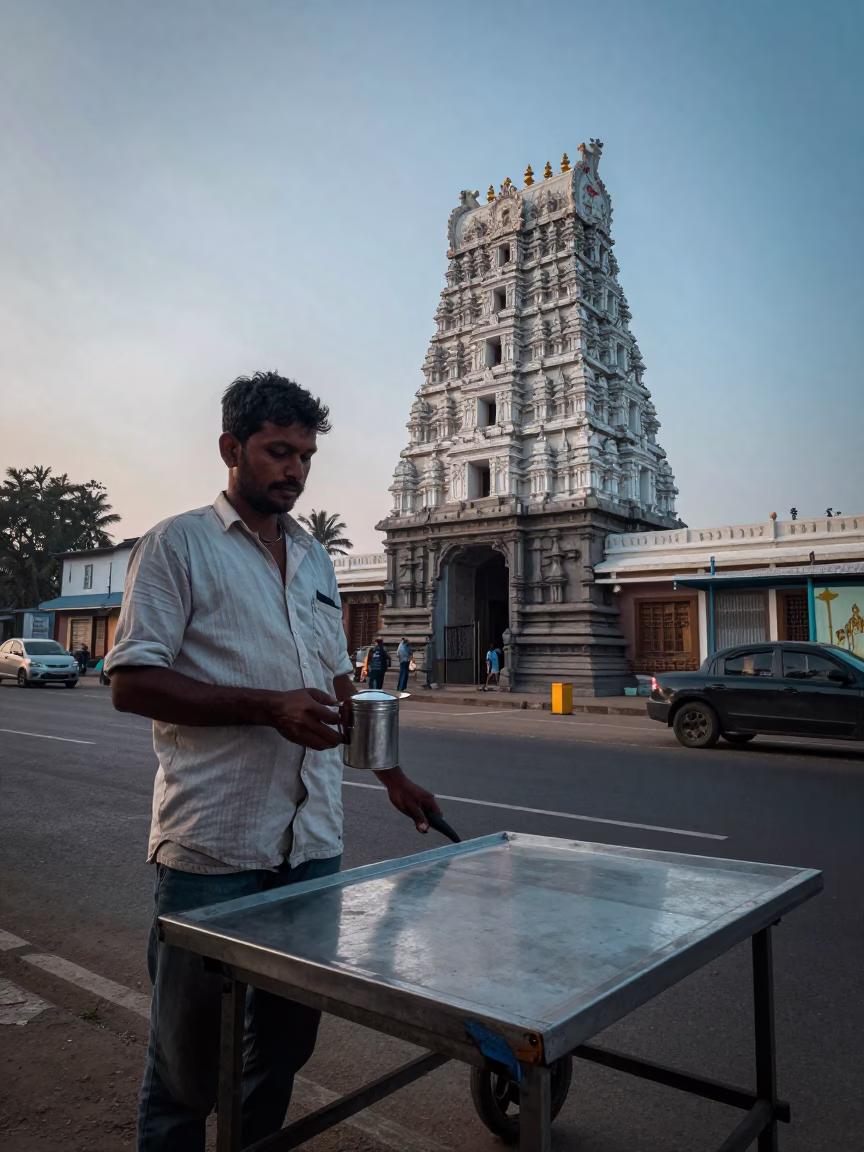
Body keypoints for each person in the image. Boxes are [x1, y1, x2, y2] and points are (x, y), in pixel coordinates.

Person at [104, 371, 440, 1152]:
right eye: (277, 452)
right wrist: (265, 706)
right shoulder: (177, 545)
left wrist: (391, 775)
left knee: (284, 1048)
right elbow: (130, 682)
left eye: (305, 458)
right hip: (213, 850)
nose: (293, 470)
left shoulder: (316, 560)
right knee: (187, 1066)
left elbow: (335, 683)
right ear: (232, 448)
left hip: (312, 849)